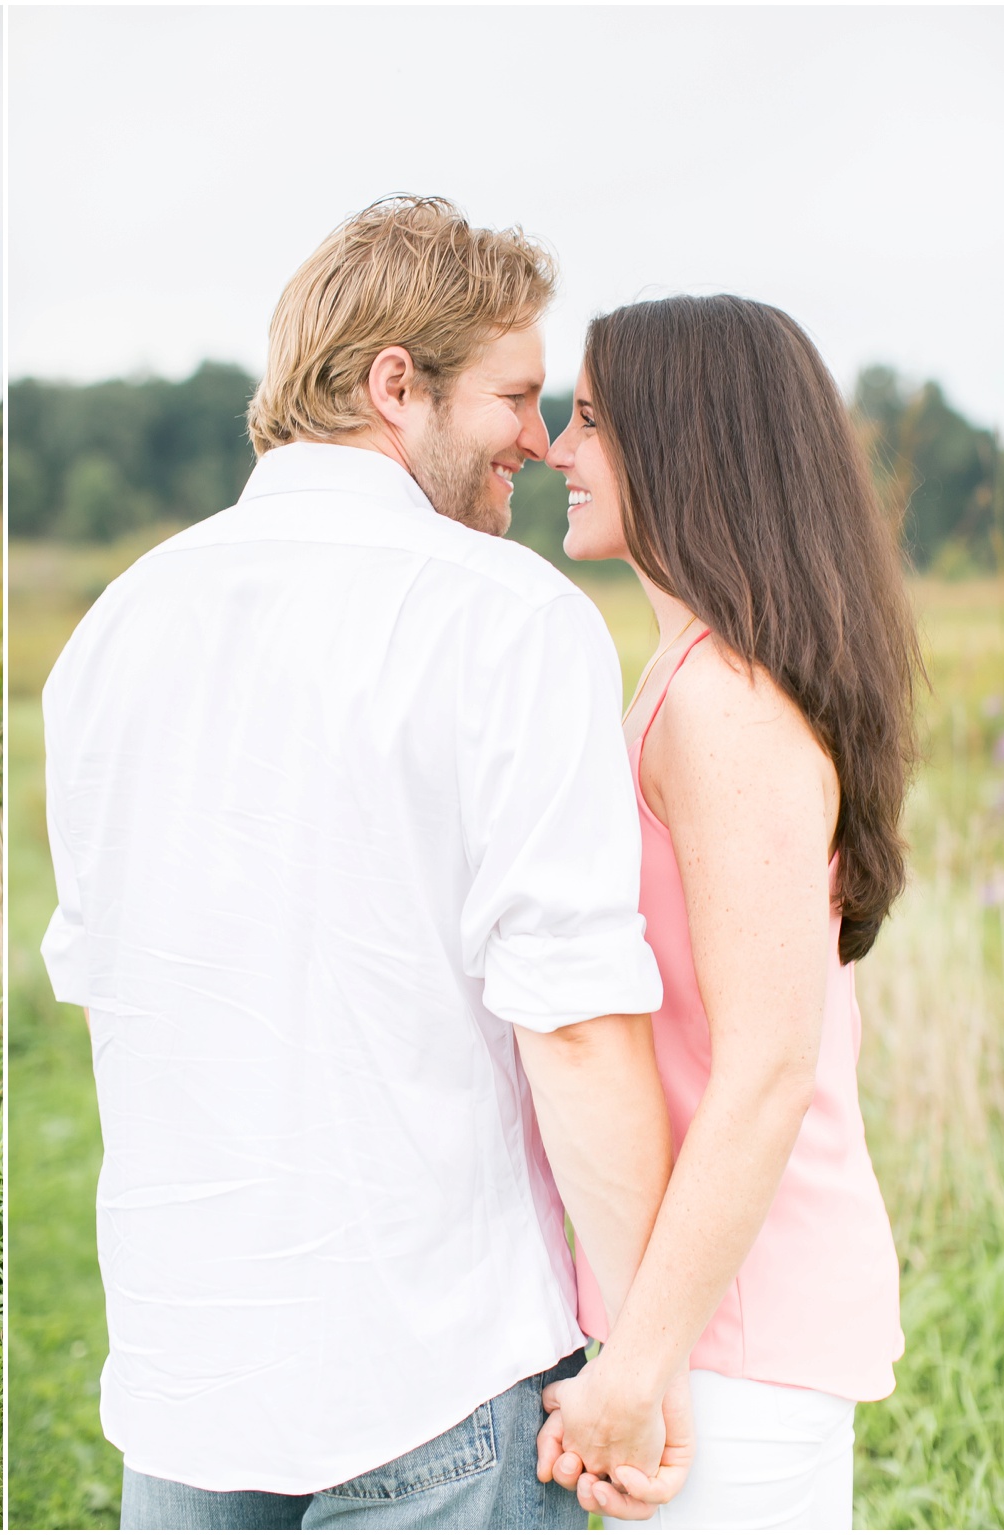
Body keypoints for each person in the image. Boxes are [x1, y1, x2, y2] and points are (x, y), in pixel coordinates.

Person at [39, 196, 684, 1529]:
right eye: (515, 394)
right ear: (397, 385)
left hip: (188, 1380)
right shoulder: (507, 618)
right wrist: (640, 1360)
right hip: (437, 1377)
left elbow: (124, 991)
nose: (541, 436)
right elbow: (572, 1025)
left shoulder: (114, 627)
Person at [534, 296, 916, 1529]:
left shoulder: (726, 705)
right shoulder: (692, 671)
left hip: (730, 1331)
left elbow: (762, 1071)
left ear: (681, 440)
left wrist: (637, 1364)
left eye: (588, 418)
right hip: (707, 1312)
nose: (554, 448)